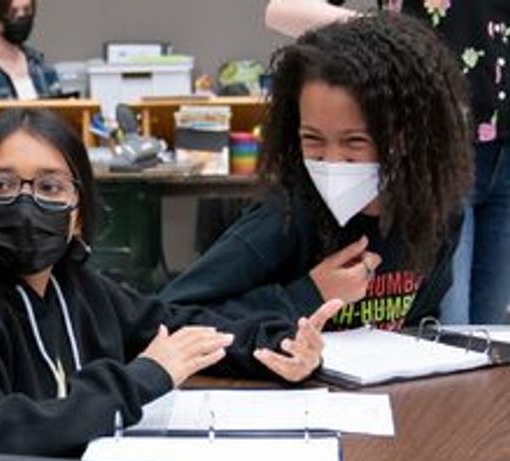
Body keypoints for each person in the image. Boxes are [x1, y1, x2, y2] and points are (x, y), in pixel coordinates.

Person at [0, 108, 343, 461]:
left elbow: (177, 328)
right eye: (1, 186)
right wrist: (137, 381)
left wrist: (274, 345)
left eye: (49, 187)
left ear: (78, 214)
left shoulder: (77, 287)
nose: (25, 204)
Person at [162, 14, 472, 334]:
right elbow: (167, 316)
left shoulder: (437, 216)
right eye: (312, 139)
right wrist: (309, 295)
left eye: (354, 142)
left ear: (406, 136)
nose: (332, 160)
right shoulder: (284, 219)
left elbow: (420, 322)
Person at [264, 0, 506, 324]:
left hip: (503, 153)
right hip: (434, 148)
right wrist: (392, 38)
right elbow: (284, 8)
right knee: (446, 328)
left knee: (493, 340)